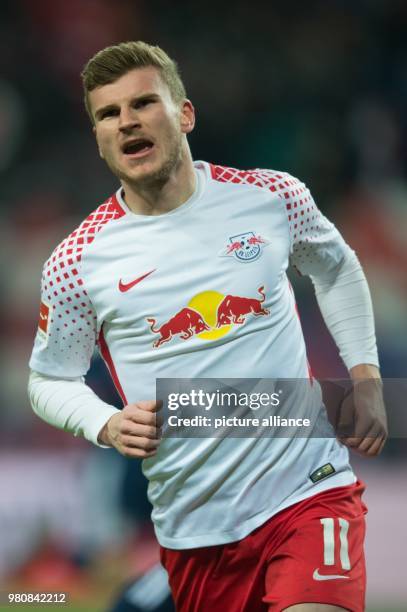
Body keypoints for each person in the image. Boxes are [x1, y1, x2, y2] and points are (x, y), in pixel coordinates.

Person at [28, 41, 387, 612]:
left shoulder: (272, 197)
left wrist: (364, 374)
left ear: (185, 114)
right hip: (196, 531)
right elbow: (48, 380)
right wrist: (105, 424)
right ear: (98, 138)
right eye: (108, 113)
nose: (127, 122)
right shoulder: (77, 261)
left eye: (143, 103)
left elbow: (336, 268)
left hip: (308, 491)